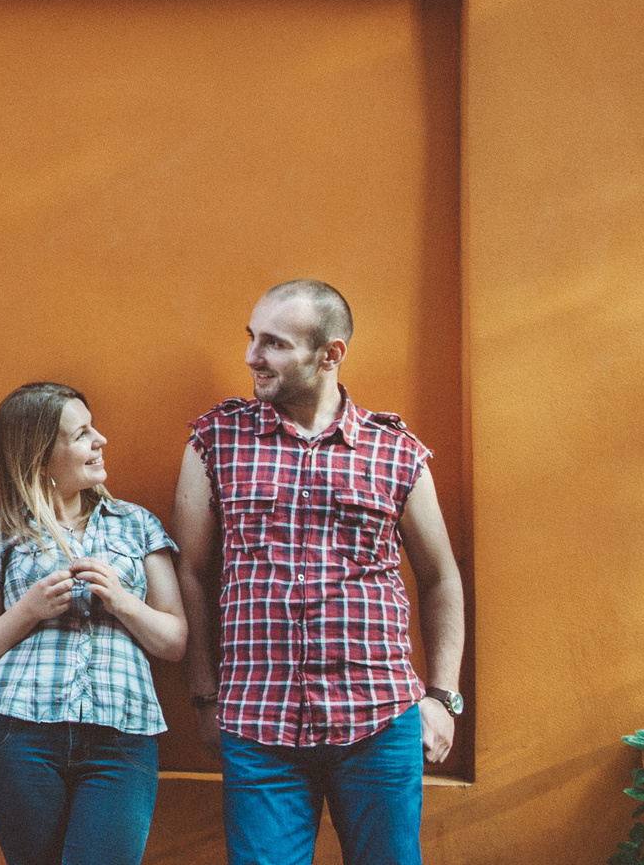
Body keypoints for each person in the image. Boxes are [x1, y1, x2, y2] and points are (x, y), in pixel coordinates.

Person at [172, 279, 467, 865]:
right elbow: (191, 575)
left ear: (330, 354)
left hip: (379, 720)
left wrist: (442, 697)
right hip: (259, 724)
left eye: (274, 343)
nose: (253, 357)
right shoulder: (217, 439)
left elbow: (441, 579)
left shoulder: (395, 451)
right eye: (253, 338)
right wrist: (205, 697)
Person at [0, 382, 188, 865]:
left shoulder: (137, 525)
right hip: (18, 736)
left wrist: (123, 602)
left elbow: (175, 641)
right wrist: (28, 610)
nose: (100, 440)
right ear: (41, 455)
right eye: (82, 434)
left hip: (121, 736)